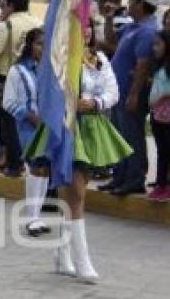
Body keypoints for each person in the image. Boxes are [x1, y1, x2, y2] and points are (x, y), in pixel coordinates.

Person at [25, 28, 132, 282]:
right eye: (76, 26)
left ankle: (63, 255)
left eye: (87, 27)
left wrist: (95, 103)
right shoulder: (56, 59)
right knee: (75, 192)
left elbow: (112, 91)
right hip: (63, 128)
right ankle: (82, 259)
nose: (82, 32)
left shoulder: (99, 59)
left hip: (91, 128)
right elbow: (46, 92)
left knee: (73, 191)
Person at [104, 0, 163, 196]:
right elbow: (110, 40)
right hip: (119, 92)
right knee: (119, 135)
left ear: (141, 4)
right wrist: (109, 18)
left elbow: (142, 65)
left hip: (130, 93)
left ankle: (135, 179)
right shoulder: (133, 26)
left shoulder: (148, 31)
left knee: (132, 136)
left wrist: (134, 95)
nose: (128, 2)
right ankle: (119, 176)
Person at [0, 0, 43, 177]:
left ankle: (15, 164)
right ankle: (33, 160)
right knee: (32, 121)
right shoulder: (39, 24)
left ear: (11, 6)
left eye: (3, 6)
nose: (1, 10)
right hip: (35, 76)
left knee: (10, 124)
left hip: (9, 77)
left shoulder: (7, 25)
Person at [2, 28, 51, 236]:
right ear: (30, 45)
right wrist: (30, 116)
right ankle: (31, 218)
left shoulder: (51, 70)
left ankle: (37, 215)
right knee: (35, 167)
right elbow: (8, 102)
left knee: (46, 168)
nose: (43, 48)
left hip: (50, 126)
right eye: (39, 43)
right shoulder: (18, 71)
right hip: (29, 127)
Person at [148, 31, 170, 201]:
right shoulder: (160, 65)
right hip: (157, 114)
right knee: (162, 150)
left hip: (169, 113)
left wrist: (163, 96)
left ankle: (168, 186)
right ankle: (160, 184)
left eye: (158, 44)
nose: (154, 48)